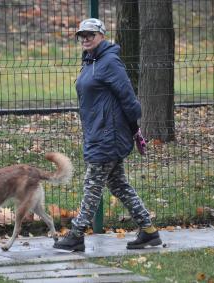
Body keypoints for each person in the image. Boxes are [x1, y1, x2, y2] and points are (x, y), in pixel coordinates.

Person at [53, 18, 161, 252]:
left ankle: (76, 234)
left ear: (102, 35)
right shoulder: (91, 62)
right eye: (82, 35)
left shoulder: (109, 62)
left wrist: (134, 129)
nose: (86, 38)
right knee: (119, 185)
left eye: (91, 34)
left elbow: (129, 100)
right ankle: (149, 231)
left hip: (109, 135)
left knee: (92, 184)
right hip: (98, 132)